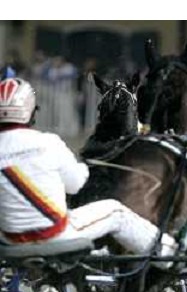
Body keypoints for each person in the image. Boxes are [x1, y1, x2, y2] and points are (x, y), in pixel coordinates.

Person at [0, 77, 176, 258]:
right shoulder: (48, 142)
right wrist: (84, 167)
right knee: (116, 211)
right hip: (56, 235)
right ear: (31, 112)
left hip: (10, 241)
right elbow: (75, 185)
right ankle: (170, 253)